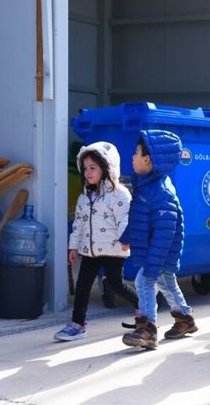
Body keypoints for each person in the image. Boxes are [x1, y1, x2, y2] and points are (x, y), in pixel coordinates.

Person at [120, 130, 196, 349]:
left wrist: (153, 263)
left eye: (136, 153)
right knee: (166, 283)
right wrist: (127, 237)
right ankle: (185, 319)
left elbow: (165, 233)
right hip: (153, 249)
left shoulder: (161, 192)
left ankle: (147, 329)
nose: (132, 157)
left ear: (148, 159)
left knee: (144, 281)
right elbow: (139, 218)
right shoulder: (145, 185)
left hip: (160, 251)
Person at [54, 142, 137, 342]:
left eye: (93, 168)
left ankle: (143, 307)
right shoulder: (85, 196)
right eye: (84, 169)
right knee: (83, 286)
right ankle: (78, 324)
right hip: (89, 250)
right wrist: (73, 246)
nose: (87, 173)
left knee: (116, 285)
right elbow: (79, 223)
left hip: (113, 249)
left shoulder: (119, 194)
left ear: (107, 168)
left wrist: (125, 239)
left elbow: (124, 218)